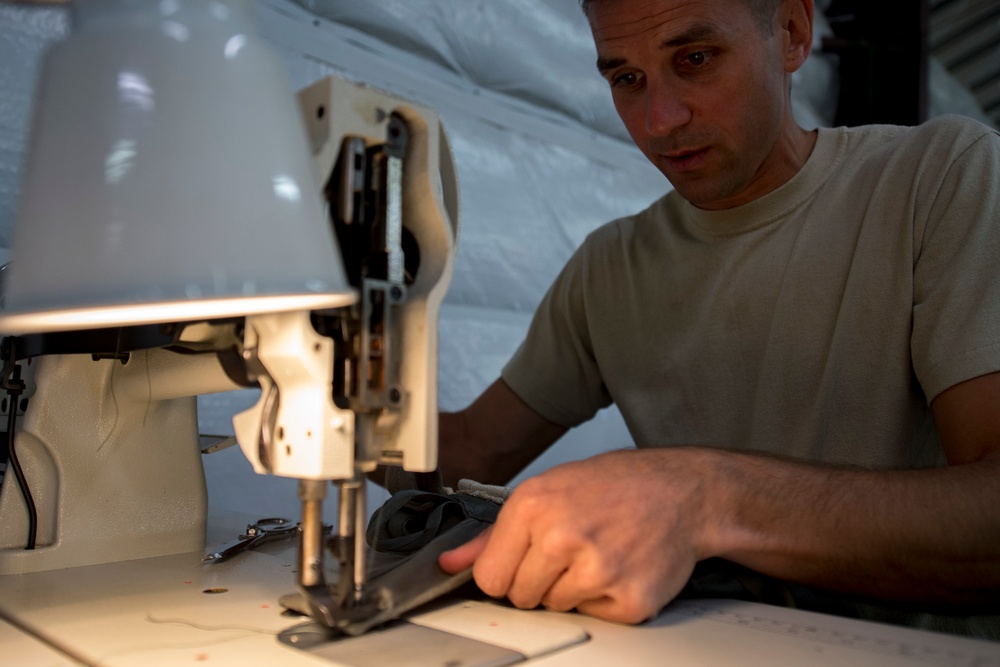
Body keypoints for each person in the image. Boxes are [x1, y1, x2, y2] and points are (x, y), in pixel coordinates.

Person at [434, 0, 1000, 636]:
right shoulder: (610, 267)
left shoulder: (939, 178)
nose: (660, 120)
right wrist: (333, 390)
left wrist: (705, 497)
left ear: (791, 33)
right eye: (626, 79)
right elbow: (468, 451)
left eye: (695, 59)